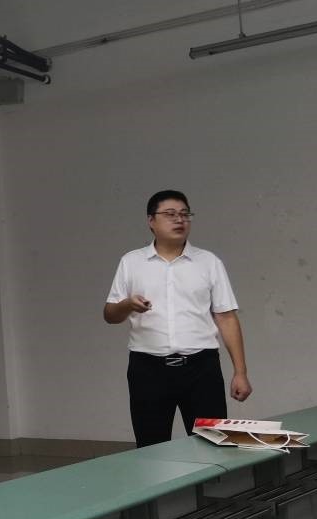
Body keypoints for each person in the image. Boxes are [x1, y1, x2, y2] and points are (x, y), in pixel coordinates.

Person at [103, 190, 251, 447]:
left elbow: (226, 318)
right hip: (148, 369)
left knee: (214, 445)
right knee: (150, 447)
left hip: (201, 368)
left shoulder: (209, 262)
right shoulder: (131, 262)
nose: (179, 219)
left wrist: (240, 372)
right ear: (151, 221)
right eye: (170, 214)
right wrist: (127, 305)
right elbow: (110, 315)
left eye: (185, 214)